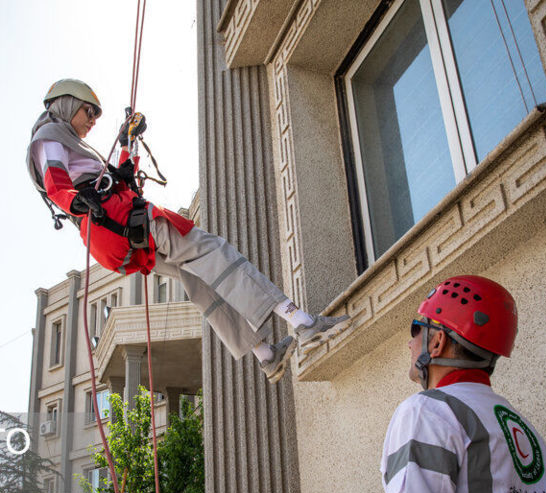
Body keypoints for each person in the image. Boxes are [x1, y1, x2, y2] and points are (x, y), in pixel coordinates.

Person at [26, 79, 350, 383]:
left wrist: (127, 143)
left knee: (195, 277)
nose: (92, 120)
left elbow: (110, 179)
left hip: (112, 235)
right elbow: (58, 186)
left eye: (96, 115)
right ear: (66, 104)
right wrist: (82, 201)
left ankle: (266, 355)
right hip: (119, 219)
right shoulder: (50, 135)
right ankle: (303, 323)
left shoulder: (68, 144)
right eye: (88, 111)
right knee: (213, 250)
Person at [380, 275, 546, 493]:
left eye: (416, 329)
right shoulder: (519, 425)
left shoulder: (427, 411)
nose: (410, 343)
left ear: (437, 341)